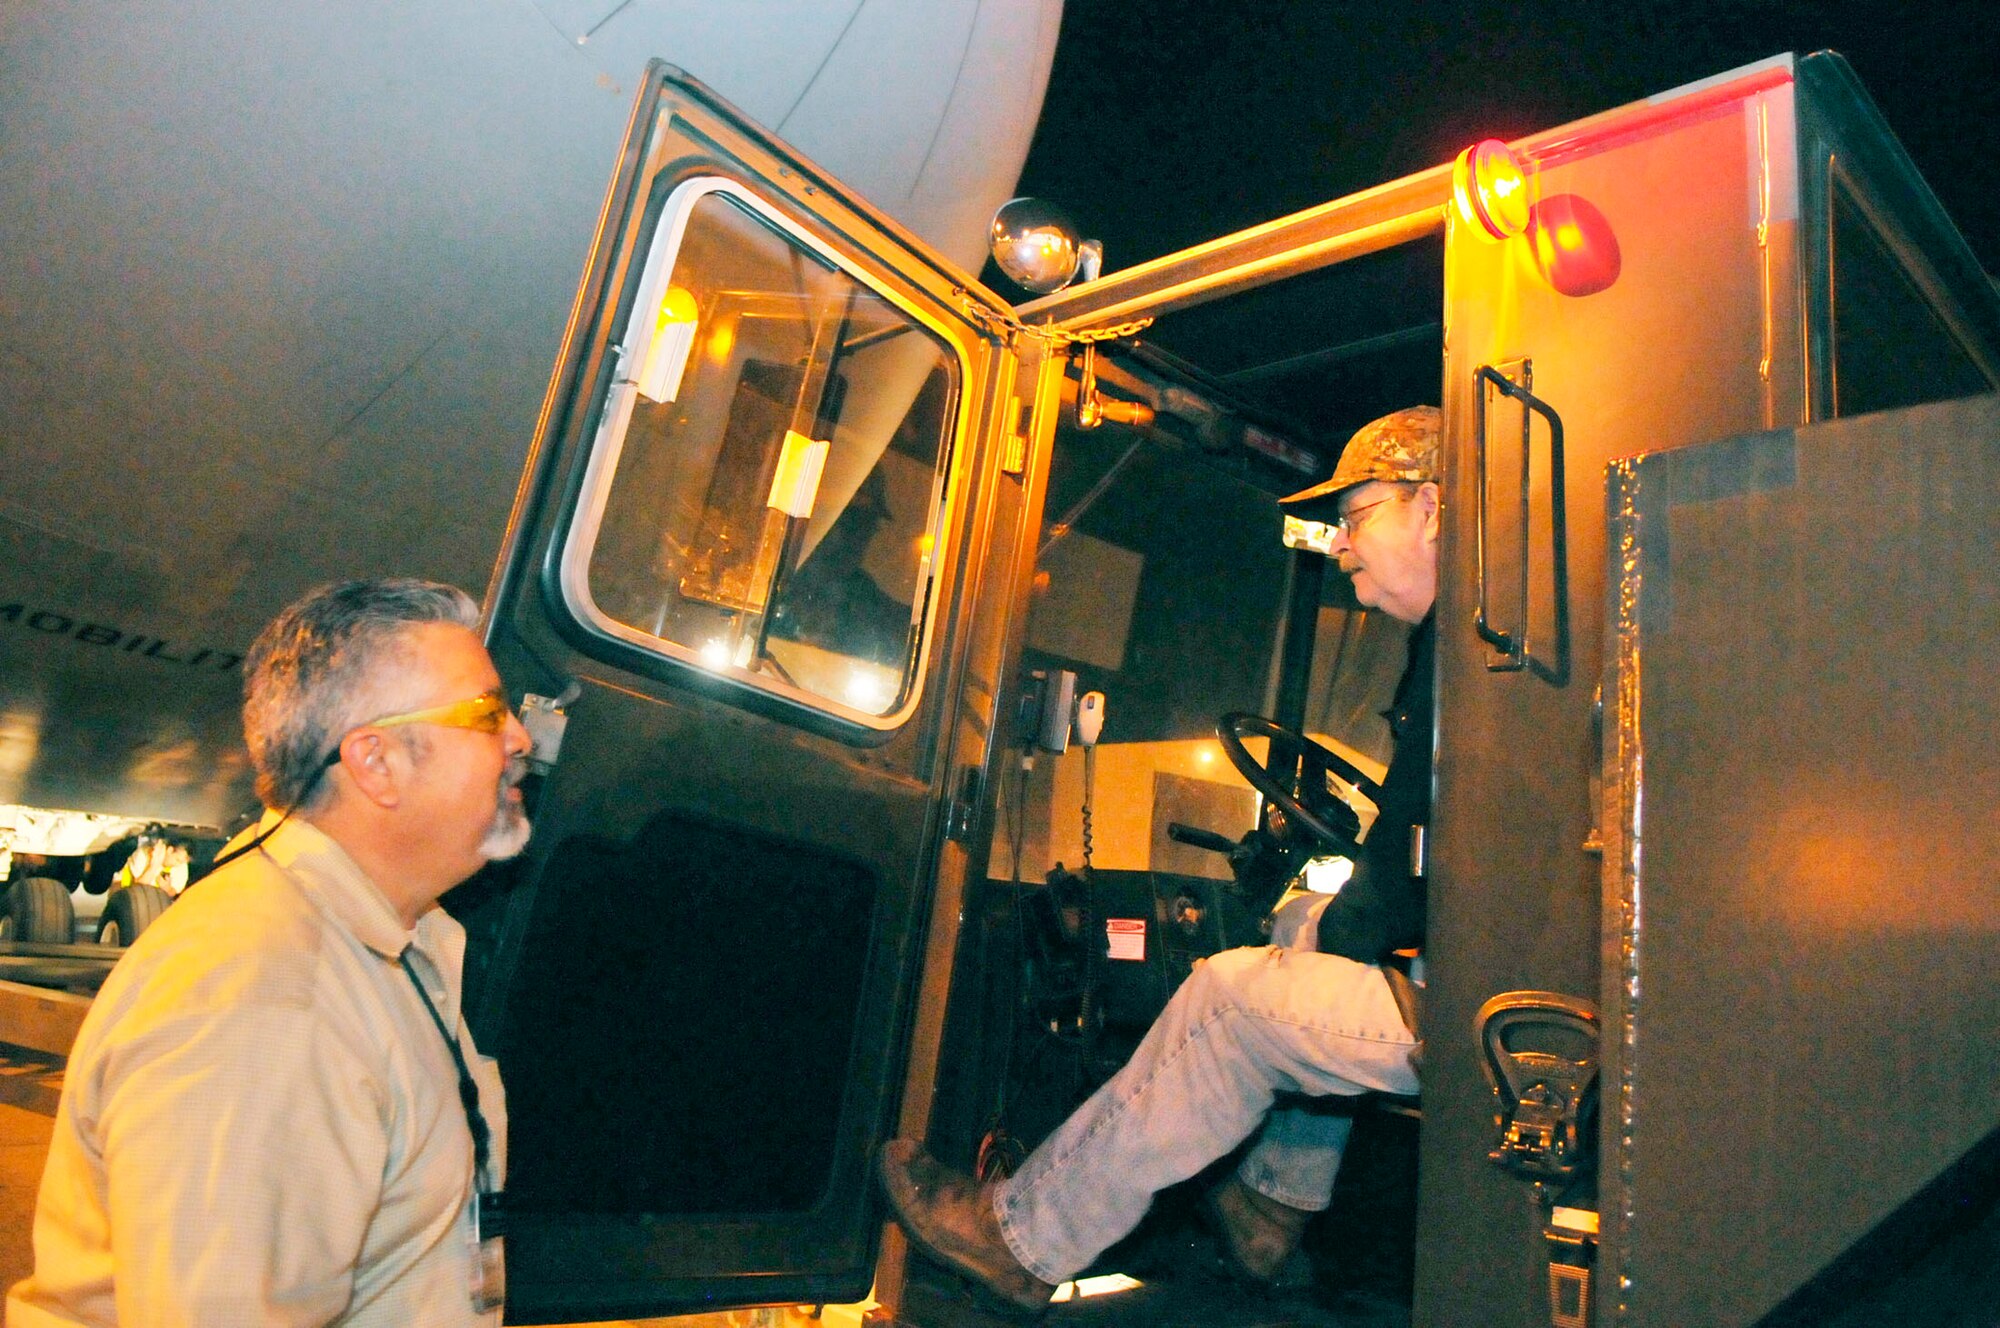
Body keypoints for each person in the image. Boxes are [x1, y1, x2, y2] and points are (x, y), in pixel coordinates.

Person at [878, 406, 1442, 1311]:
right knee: (1302, 941)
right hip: (1463, 981)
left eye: (1357, 513)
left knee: (1228, 996)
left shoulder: (1474, 662)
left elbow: (1401, 884)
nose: (1340, 544)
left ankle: (1020, 1238)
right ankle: (1270, 1210)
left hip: (1478, 1007)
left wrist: (1340, 918)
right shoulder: (1449, 651)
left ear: (1432, 509)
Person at [7, 579, 534, 1328]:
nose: (519, 737)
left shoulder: (387, 943)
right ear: (375, 762)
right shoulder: (267, 999)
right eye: (487, 713)